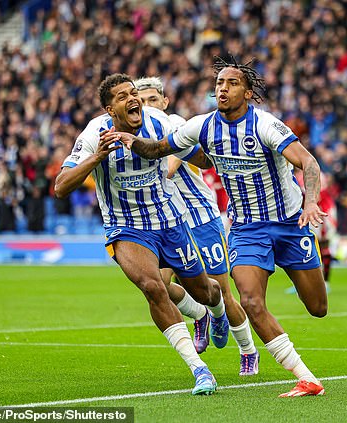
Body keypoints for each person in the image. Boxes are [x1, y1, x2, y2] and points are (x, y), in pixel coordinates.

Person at [107, 57, 328, 397]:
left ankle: (226, 323)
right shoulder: (202, 126)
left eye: (232, 84)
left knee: (317, 308)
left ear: (248, 93)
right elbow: (159, 149)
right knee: (251, 302)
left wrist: (311, 201)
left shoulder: (266, 125)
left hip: (289, 223)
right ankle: (306, 378)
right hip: (245, 228)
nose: (223, 89)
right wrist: (129, 139)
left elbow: (308, 162)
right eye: (219, 83)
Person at [54, 73, 229, 396]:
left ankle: (213, 312)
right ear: (110, 109)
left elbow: (200, 159)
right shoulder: (95, 133)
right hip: (126, 227)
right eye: (123, 96)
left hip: (169, 220)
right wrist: (97, 158)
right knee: (153, 287)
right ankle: (200, 370)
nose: (133, 99)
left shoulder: (158, 122)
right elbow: (61, 186)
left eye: (133, 92)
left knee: (205, 291)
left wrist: (199, 149)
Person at [134, 76, 259, 376]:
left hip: (200, 217)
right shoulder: (137, 132)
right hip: (168, 222)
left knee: (223, 293)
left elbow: (169, 166)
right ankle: (200, 314)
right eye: (142, 102)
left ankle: (248, 350)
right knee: (159, 286)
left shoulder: (174, 125)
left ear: (164, 102)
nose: (148, 106)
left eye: (153, 100)